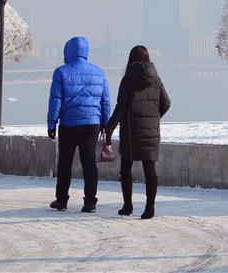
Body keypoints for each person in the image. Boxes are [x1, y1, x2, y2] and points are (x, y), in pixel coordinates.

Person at [105, 45, 170, 219]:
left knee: (126, 168)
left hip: (130, 131)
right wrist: (153, 119)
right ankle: (150, 208)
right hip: (151, 131)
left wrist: (109, 129)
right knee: (150, 169)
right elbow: (167, 103)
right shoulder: (156, 79)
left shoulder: (127, 80)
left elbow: (120, 108)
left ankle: (128, 206)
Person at [47, 36, 110, 213]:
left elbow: (55, 101)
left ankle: (61, 201)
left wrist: (51, 124)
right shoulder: (99, 72)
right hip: (92, 124)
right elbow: (105, 101)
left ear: (67, 51)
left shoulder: (61, 72)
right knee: (89, 162)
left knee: (65, 162)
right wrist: (105, 122)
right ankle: (90, 202)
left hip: (68, 124)